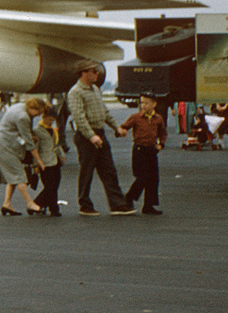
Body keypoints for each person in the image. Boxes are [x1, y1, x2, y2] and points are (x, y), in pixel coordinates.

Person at [67, 59, 136, 216]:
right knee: (87, 171)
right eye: (94, 71)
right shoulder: (75, 92)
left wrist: (116, 127)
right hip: (86, 137)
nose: (97, 73)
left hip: (100, 133)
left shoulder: (96, 90)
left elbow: (104, 112)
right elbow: (79, 117)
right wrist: (92, 137)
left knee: (108, 170)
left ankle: (117, 204)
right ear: (84, 73)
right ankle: (84, 204)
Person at [0, 98, 47, 215]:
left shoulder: (19, 106)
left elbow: (15, 131)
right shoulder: (23, 117)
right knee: (20, 176)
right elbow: (28, 143)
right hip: (6, 148)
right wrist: (39, 161)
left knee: (12, 177)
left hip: (3, 145)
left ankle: (7, 204)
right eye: (38, 112)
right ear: (33, 108)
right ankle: (31, 204)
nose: (38, 115)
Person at [119, 93, 166, 214]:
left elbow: (163, 133)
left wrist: (161, 144)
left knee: (153, 179)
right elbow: (124, 126)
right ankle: (129, 197)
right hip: (139, 150)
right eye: (142, 102)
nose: (143, 105)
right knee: (142, 177)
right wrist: (121, 131)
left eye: (146, 103)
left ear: (154, 104)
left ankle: (148, 205)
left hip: (151, 150)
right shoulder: (136, 117)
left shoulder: (158, 118)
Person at [30, 108, 65, 216]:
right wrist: (35, 164)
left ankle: (36, 205)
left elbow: (56, 144)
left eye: (53, 118)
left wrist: (61, 155)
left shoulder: (53, 129)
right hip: (44, 162)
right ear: (43, 116)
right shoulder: (37, 130)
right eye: (49, 117)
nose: (51, 120)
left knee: (54, 185)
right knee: (50, 187)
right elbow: (35, 148)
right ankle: (54, 209)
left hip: (55, 160)